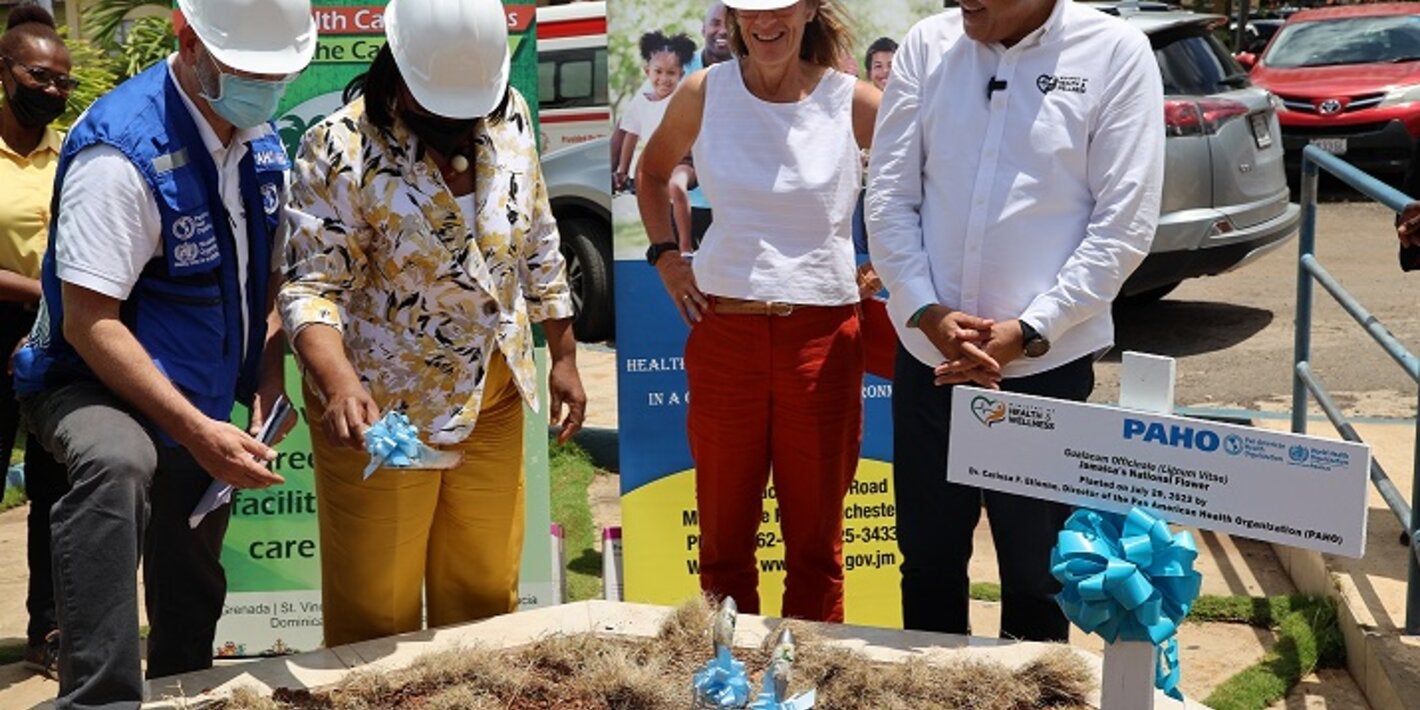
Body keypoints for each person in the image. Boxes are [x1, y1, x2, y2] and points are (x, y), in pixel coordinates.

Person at [11, 0, 314, 704]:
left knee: (189, 568)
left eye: (277, 76)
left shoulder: (262, 141)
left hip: (198, 386)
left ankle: (184, 686)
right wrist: (198, 430)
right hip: (88, 378)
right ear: (189, 40)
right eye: (246, 71)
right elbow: (90, 322)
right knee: (119, 463)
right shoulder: (121, 152)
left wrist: (268, 378)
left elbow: (268, 277)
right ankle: (100, 698)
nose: (264, 89)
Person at [280, 0, 586, 647]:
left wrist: (563, 354)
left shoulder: (508, 116)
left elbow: (538, 239)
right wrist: (339, 384)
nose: (459, 122)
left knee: (484, 598)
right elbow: (311, 286)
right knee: (375, 611)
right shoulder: (338, 146)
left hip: (492, 396)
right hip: (382, 412)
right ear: (398, 71)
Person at [866, 0, 1164, 641]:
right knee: (927, 566)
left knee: (1038, 579)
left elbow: (1124, 225)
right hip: (932, 361)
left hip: (1043, 371)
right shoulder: (927, 46)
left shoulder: (1115, 53)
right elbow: (889, 197)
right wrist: (926, 310)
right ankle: (936, 687)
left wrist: (1030, 330)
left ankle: (1034, 688)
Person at [637, 0, 879, 622]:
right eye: (751, 10)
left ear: (810, 9)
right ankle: (725, 668)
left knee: (816, 547)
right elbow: (652, 172)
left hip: (823, 338)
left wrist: (890, 263)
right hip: (726, 333)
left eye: (781, 8)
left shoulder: (854, 100)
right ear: (736, 17)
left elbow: (925, 187)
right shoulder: (704, 90)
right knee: (722, 543)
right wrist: (667, 258)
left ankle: (808, 669)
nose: (766, 22)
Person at [0, 3, 71, 680]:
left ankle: (48, 632)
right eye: (39, 76)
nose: (51, 89)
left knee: (56, 494)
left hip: (62, 334)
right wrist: (44, 292)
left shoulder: (74, 150)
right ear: (5, 71)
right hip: (10, 318)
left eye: (61, 81)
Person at [668, 0, 734, 251]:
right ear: (703, 28)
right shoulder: (678, 69)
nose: (722, 30)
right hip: (688, 201)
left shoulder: (750, 71)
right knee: (687, 265)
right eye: (715, 23)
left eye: (730, 25)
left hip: (730, 201)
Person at [611, 31, 696, 194]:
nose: (664, 79)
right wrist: (623, 171)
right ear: (647, 71)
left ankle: (680, 208)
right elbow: (631, 135)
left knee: (676, 185)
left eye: (671, 73)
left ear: (681, 75)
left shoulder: (682, 99)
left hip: (682, 162)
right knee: (645, 184)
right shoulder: (640, 102)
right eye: (658, 71)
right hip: (655, 162)